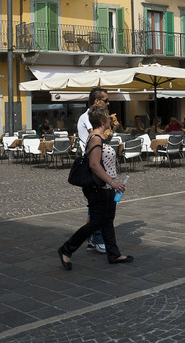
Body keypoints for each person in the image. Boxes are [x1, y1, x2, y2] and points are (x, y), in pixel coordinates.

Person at [58, 104, 132, 270]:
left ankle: (114, 254)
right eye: (107, 117)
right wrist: (112, 182)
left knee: (107, 221)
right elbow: (94, 164)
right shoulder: (96, 139)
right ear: (102, 121)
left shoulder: (98, 136)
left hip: (105, 187)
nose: (110, 119)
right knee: (95, 223)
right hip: (99, 187)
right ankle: (66, 249)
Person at [78, 88, 110, 253]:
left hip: (95, 161)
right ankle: (97, 239)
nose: (108, 103)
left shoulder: (89, 117)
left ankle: (92, 239)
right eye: (106, 100)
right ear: (97, 101)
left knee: (94, 204)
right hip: (93, 163)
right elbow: (98, 136)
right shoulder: (88, 118)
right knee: (98, 204)